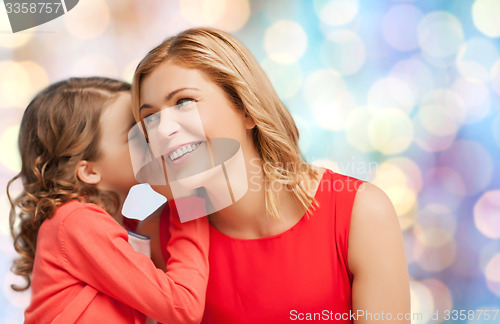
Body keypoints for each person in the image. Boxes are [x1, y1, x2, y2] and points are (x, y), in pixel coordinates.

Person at [133, 28, 410, 323]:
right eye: (150, 117)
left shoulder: (361, 214)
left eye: (184, 102)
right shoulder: (157, 236)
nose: (162, 130)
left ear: (247, 109)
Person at [7, 77, 209, 323]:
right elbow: (182, 308)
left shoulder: (117, 227)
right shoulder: (77, 221)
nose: (153, 135)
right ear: (89, 171)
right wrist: (190, 202)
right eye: (134, 133)